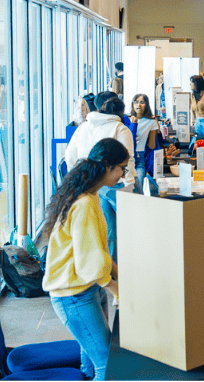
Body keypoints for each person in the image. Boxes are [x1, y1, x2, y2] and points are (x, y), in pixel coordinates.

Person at [42, 138, 123, 381]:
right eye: (122, 168)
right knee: (107, 368)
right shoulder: (85, 203)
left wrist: (121, 277)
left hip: (84, 289)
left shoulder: (89, 195)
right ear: (108, 167)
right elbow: (91, 261)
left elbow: (98, 252)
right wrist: (118, 290)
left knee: (91, 364)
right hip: (73, 296)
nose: (123, 175)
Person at [64, 92, 136, 261]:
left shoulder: (83, 126)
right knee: (129, 230)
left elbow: (69, 155)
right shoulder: (120, 128)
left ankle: (110, 266)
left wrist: (79, 175)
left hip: (92, 184)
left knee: (105, 230)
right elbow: (129, 158)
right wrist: (129, 181)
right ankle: (125, 268)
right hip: (116, 185)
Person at [124, 94, 161, 192]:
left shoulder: (151, 121)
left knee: (139, 187)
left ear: (147, 105)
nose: (138, 105)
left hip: (140, 156)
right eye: (136, 102)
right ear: (132, 104)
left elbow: (152, 145)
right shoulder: (126, 119)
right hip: (126, 156)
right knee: (126, 186)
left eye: (142, 102)